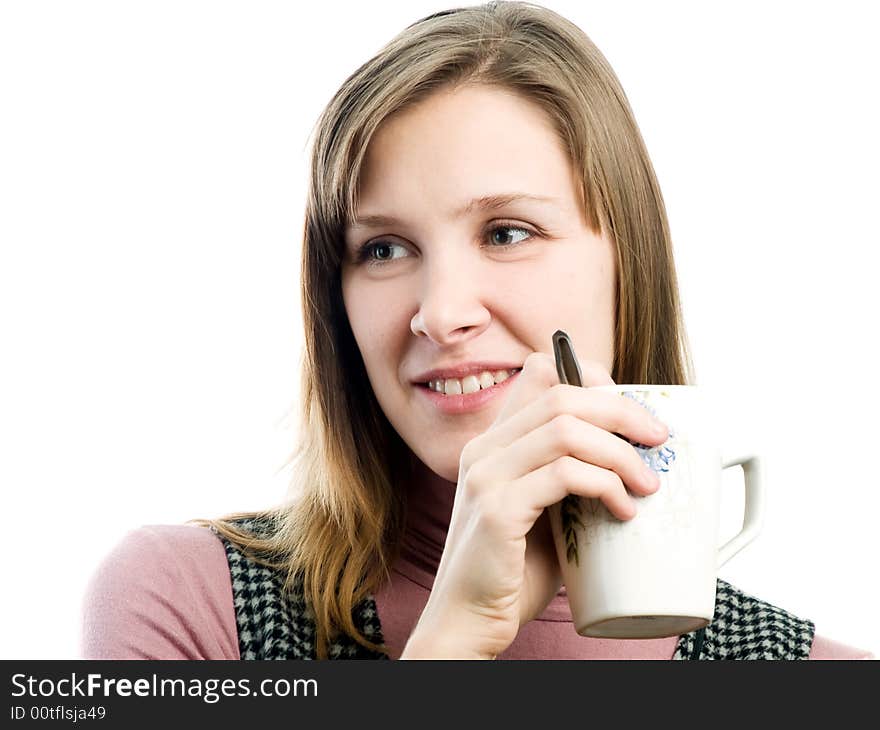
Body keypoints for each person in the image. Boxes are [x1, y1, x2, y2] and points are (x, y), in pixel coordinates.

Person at [80, 1, 873, 661]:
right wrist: (452, 639)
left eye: (507, 233)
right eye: (383, 249)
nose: (441, 311)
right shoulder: (184, 605)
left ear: (627, 262)